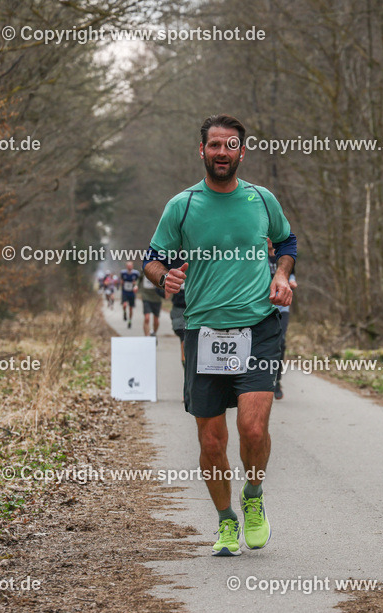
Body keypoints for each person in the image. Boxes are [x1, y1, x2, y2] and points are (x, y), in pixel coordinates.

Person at [143, 114, 297, 557]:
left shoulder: (262, 200)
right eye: (215, 146)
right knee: (212, 441)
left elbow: (286, 244)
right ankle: (226, 521)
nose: (223, 153)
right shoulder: (183, 206)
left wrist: (282, 277)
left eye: (231, 146)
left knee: (252, 428)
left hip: (259, 327)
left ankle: (253, 496)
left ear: (242, 152)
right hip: (204, 331)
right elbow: (152, 258)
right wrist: (164, 278)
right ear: (202, 151)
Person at [268, 239, 297, 400]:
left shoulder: (284, 257)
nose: (268, 240)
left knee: (281, 342)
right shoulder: (256, 257)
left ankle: (277, 381)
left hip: (282, 307)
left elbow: (291, 274)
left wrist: (291, 281)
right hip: (262, 306)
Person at [140, 270, 163, 336]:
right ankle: (147, 337)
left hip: (157, 297)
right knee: (147, 318)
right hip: (146, 296)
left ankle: (154, 333)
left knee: (156, 320)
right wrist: (136, 286)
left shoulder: (160, 269)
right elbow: (139, 279)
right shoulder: (144, 269)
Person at [120, 261, 139, 329]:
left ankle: (130, 321)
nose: (129, 267)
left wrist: (135, 285)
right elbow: (121, 281)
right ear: (126, 266)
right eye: (128, 266)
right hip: (125, 292)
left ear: (132, 266)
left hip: (132, 293)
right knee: (124, 305)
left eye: (130, 266)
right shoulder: (123, 273)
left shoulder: (136, 273)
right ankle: (125, 312)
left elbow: (137, 282)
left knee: (131, 308)